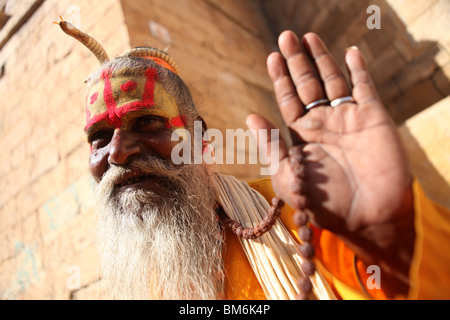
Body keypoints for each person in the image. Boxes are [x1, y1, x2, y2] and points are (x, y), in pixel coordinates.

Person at [58, 18, 450, 300]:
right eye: (99, 138)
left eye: (147, 122)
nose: (119, 151)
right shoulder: (130, 282)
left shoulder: (300, 219)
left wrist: (390, 239)